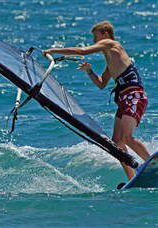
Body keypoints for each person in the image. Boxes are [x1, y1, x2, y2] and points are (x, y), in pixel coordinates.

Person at [43, 21, 150, 184]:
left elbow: (81, 51)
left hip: (135, 96)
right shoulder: (110, 61)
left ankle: (152, 165)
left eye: (95, 37)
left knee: (126, 137)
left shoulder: (112, 43)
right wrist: (89, 72)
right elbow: (101, 84)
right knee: (117, 141)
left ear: (105, 34)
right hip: (124, 100)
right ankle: (132, 178)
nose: (94, 41)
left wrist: (53, 50)